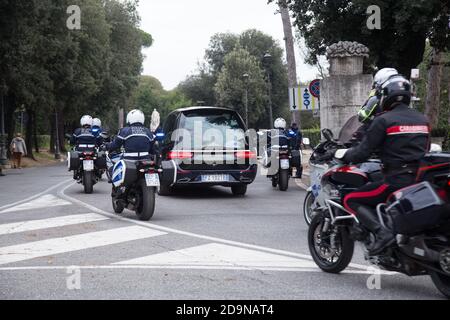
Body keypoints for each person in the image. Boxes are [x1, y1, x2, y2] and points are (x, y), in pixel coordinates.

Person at [334, 74, 430, 255]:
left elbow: (362, 152)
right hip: (420, 181)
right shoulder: (423, 120)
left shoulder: (383, 120)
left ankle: (382, 233)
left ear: (386, 96)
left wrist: (346, 155)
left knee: (350, 198)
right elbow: (425, 150)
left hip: (395, 180)